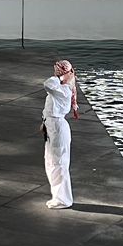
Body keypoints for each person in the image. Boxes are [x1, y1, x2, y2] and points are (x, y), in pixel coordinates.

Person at [42, 59, 79, 209]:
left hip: (57, 128)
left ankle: (63, 199)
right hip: (52, 127)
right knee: (51, 162)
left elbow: (47, 84)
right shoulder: (60, 88)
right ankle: (58, 196)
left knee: (58, 163)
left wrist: (62, 77)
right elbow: (50, 108)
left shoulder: (63, 90)